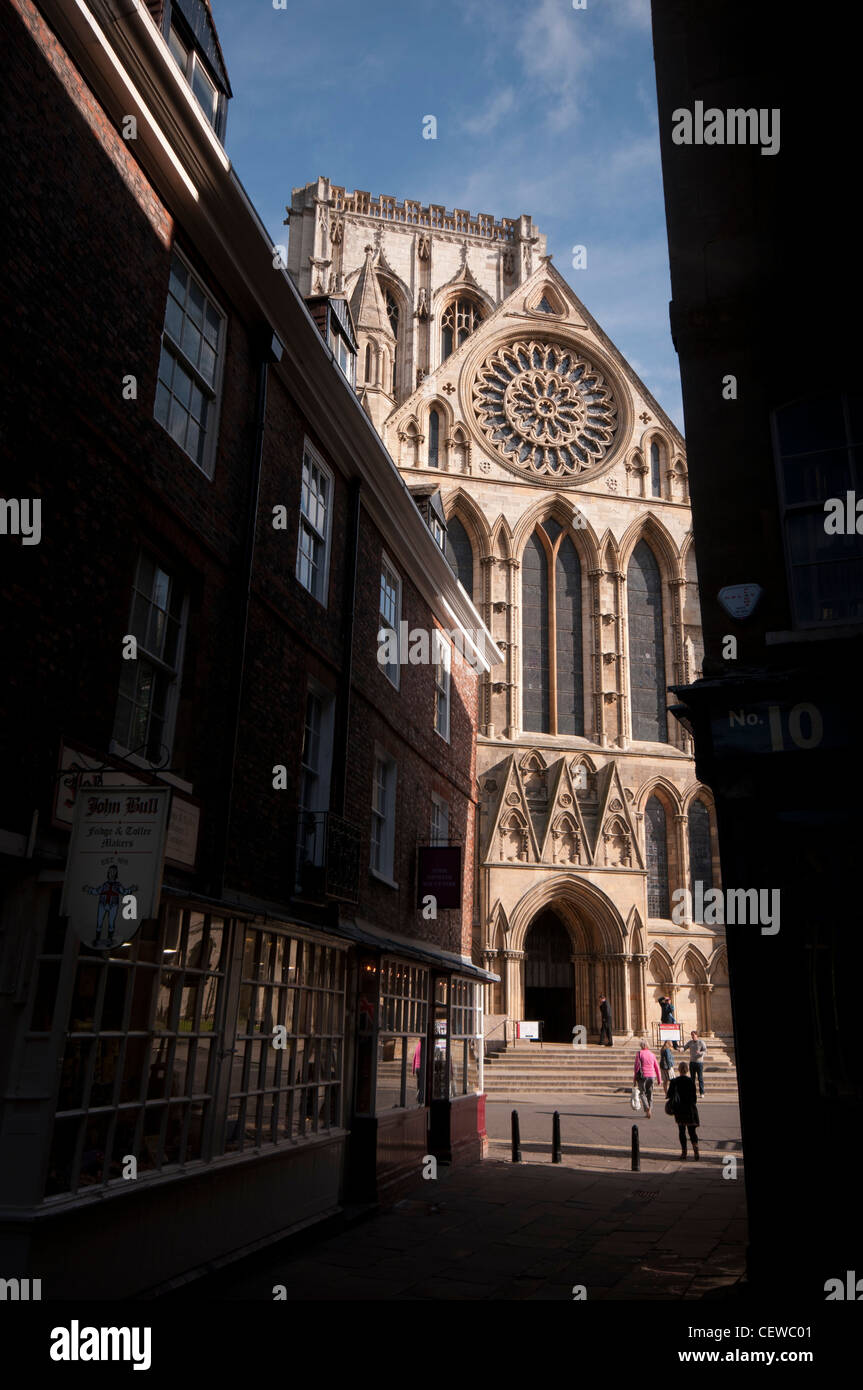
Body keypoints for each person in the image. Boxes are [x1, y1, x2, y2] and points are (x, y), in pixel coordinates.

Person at [667, 1061, 700, 1159]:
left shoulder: (674, 1081)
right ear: (687, 1070)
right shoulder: (691, 1081)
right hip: (690, 1109)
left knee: (682, 1131)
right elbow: (694, 1098)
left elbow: (669, 1095)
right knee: (692, 1131)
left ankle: (684, 1152)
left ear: (679, 1070)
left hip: (679, 1109)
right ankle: (696, 1151)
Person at [633, 1040, 661, 1118]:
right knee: (650, 1093)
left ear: (641, 1046)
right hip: (652, 1076)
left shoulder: (639, 1054)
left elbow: (636, 1067)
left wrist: (634, 1079)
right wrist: (659, 1078)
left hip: (642, 1076)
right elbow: (657, 1067)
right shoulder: (652, 1054)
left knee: (642, 1093)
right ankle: (650, 1109)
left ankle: (647, 1108)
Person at [683, 1030, 707, 1096]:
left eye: (693, 1035)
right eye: (691, 1035)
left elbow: (705, 1051)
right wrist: (681, 1049)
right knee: (692, 1079)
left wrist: (700, 1053)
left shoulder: (701, 1042)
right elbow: (685, 1047)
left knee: (700, 1078)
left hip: (699, 1063)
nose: (692, 1036)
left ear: (696, 1035)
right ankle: (692, 1092)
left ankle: (702, 1092)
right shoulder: (690, 1042)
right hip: (692, 1062)